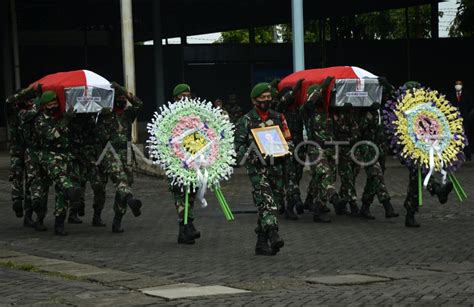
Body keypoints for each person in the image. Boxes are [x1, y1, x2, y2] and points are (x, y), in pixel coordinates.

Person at [234, 82, 289, 256]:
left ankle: (261, 242)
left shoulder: (279, 117)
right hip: (257, 168)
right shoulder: (246, 121)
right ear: (254, 100)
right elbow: (237, 148)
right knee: (266, 201)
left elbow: (289, 140)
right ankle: (273, 234)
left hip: (277, 167)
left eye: (268, 97)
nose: (266, 100)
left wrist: (288, 150)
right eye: (262, 98)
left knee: (276, 203)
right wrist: (254, 152)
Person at [301, 78, 346, 223]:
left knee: (325, 179)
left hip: (331, 149)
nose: (321, 97)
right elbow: (310, 101)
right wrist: (323, 85)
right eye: (318, 95)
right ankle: (334, 198)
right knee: (324, 174)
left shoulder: (329, 111)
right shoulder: (307, 110)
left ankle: (318, 208)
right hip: (315, 148)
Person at [169, 83, 201, 244]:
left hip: (193, 159)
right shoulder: (169, 116)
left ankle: (184, 231)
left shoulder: (194, 115)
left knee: (192, 194)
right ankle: (188, 225)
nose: (186, 99)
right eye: (183, 96)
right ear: (175, 98)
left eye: (188, 96)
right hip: (176, 162)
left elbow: (200, 134)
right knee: (180, 194)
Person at [448, 80, 473, 161]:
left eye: (459, 84)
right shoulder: (451, 95)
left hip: (465, 119)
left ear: (462, 85)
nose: (458, 86)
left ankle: (468, 154)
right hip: (454, 120)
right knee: (455, 136)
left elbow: (471, 106)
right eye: (456, 84)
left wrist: (468, 116)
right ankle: (455, 155)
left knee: (466, 135)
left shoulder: (467, 94)